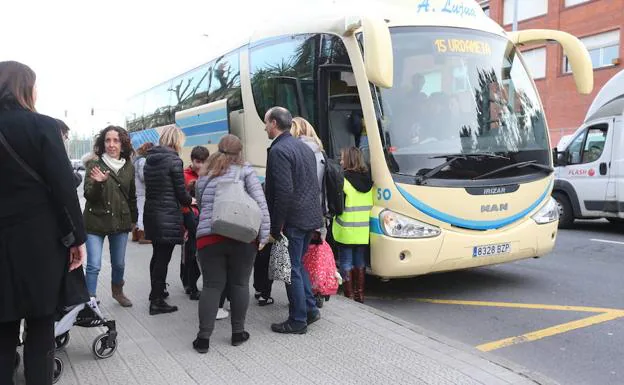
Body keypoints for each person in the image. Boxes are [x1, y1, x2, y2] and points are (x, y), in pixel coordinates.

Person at [0, 60, 86, 385]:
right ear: (25, 87)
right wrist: (78, 239)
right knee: (40, 322)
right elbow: (64, 188)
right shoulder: (43, 126)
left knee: (2, 325)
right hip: (39, 242)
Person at [192, 134, 270, 353]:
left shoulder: (205, 173)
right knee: (239, 284)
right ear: (240, 152)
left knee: (211, 286)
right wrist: (263, 236)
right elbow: (261, 203)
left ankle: (203, 339)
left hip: (209, 236)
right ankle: (238, 333)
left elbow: (200, 200)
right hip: (243, 236)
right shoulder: (246, 171)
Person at [263, 107, 324, 334]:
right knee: (298, 265)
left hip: (293, 220)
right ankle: (310, 310)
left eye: (266, 122)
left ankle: (298, 320)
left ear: (275, 123)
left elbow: (284, 191)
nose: (264, 127)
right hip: (309, 217)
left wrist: (276, 226)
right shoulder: (303, 147)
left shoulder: (279, 151)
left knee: (292, 270)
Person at [83, 125, 138, 308]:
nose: (111, 144)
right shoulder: (94, 165)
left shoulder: (129, 167)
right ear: (102, 143)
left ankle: (118, 291)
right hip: (95, 221)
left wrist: (134, 219)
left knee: (119, 264)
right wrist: (99, 184)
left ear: (122, 144)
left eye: (116, 140)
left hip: (120, 222)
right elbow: (89, 195)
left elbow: (131, 195)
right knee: (93, 265)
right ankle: (89, 300)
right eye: (108, 140)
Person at [143, 125, 193, 315]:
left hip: (152, 213)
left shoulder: (150, 158)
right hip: (167, 215)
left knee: (157, 255)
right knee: (163, 258)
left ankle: (155, 292)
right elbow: (181, 192)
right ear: (177, 140)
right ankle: (156, 301)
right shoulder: (174, 160)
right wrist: (191, 200)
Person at [333, 147, 373, 303]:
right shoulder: (368, 182)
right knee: (360, 262)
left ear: (349, 160)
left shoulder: (343, 180)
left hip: (346, 230)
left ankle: (349, 297)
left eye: (343, 158)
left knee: (346, 262)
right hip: (362, 231)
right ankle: (360, 295)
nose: (341, 161)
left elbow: (338, 205)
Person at [181, 146, 209, 301]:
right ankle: (191, 286)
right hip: (189, 220)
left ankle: (190, 283)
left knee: (197, 254)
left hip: (203, 219)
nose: (200, 165)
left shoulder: (209, 175)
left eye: (203, 162)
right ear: (192, 161)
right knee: (190, 254)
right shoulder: (184, 175)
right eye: (198, 162)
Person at [132, 142, 154, 244]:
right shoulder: (143, 160)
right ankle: (142, 234)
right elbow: (143, 176)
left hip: (137, 189)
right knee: (142, 212)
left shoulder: (137, 159)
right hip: (142, 190)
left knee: (139, 211)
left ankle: (135, 233)